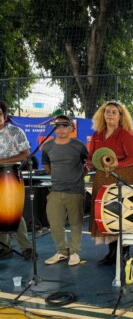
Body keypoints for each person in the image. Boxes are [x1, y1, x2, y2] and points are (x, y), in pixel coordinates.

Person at [87, 101, 133, 265]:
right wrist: (89, 163)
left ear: (120, 116)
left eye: (114, 112)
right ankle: (112, 253)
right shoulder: (97, 135)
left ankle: (123, 253)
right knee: (106, 214)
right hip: (102, 178)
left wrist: (117, 164)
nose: (110, 115)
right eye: (107, 112)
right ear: (102, 115)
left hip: (122, 177)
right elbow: (91, 156)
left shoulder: (126, 135)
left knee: (122, 213)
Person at [41, 115, 88, 266]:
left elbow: (87, 165)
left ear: (71, 128)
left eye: (64, 126)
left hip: (75, 191)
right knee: (55, 224)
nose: (60, 129)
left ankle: (74, 253)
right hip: (55, 191)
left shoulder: (79, 146)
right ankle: (62, 252)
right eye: (57, 126)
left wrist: (78, 177)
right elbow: (47, 166)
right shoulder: (47, 146)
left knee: (76, 223)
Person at [0, 101, 36, 260]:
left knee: (12, 211)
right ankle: (3, 246)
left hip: (10, 174)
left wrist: (1, 161)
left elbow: (25, 154)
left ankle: (27, 247)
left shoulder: (15, 131)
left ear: (5, 116)